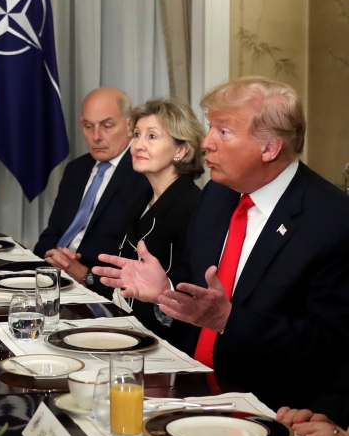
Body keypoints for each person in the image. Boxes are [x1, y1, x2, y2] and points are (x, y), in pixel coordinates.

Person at [94, 76, 349, 409]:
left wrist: (229, 320)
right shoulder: (217, 193)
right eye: (210, 128)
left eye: (223, 132)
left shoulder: (331, 219)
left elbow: (329, 346)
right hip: (186, 384)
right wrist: (165, 291)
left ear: (269, 148)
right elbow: (195, 291)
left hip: (265, 405)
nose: (206, 143)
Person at [33, 88, 149, 293]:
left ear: (130, 125)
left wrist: (83, 273)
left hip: (97, 289)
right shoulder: (76, 169)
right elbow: (50, 235)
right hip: (52, 278)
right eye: (88, 126)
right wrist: (54, 256)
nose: (96, 137)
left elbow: (133, 263)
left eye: (107, 126)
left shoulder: (144, 175)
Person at [111, 98, 204, 337]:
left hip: (166, 339)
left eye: (152, 136)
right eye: (137, 135)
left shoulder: (193, 207)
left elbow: (191, 292)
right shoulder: (141, 198)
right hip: (126, 325)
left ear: (181, 150)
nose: (138, 146)